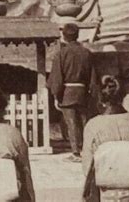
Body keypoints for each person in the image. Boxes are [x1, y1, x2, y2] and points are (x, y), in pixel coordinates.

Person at [47, 22, 98, 162]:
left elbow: (57, 77)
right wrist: (92, 93)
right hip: (82, 92)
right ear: (77, 35)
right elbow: (93, 76)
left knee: (71, 123)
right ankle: (87, 149)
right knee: (84, 122)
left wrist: (56, 95)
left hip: (67, 92)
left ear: (64, 36)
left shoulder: (61, 54)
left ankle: (75, 153)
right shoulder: (86, 53)